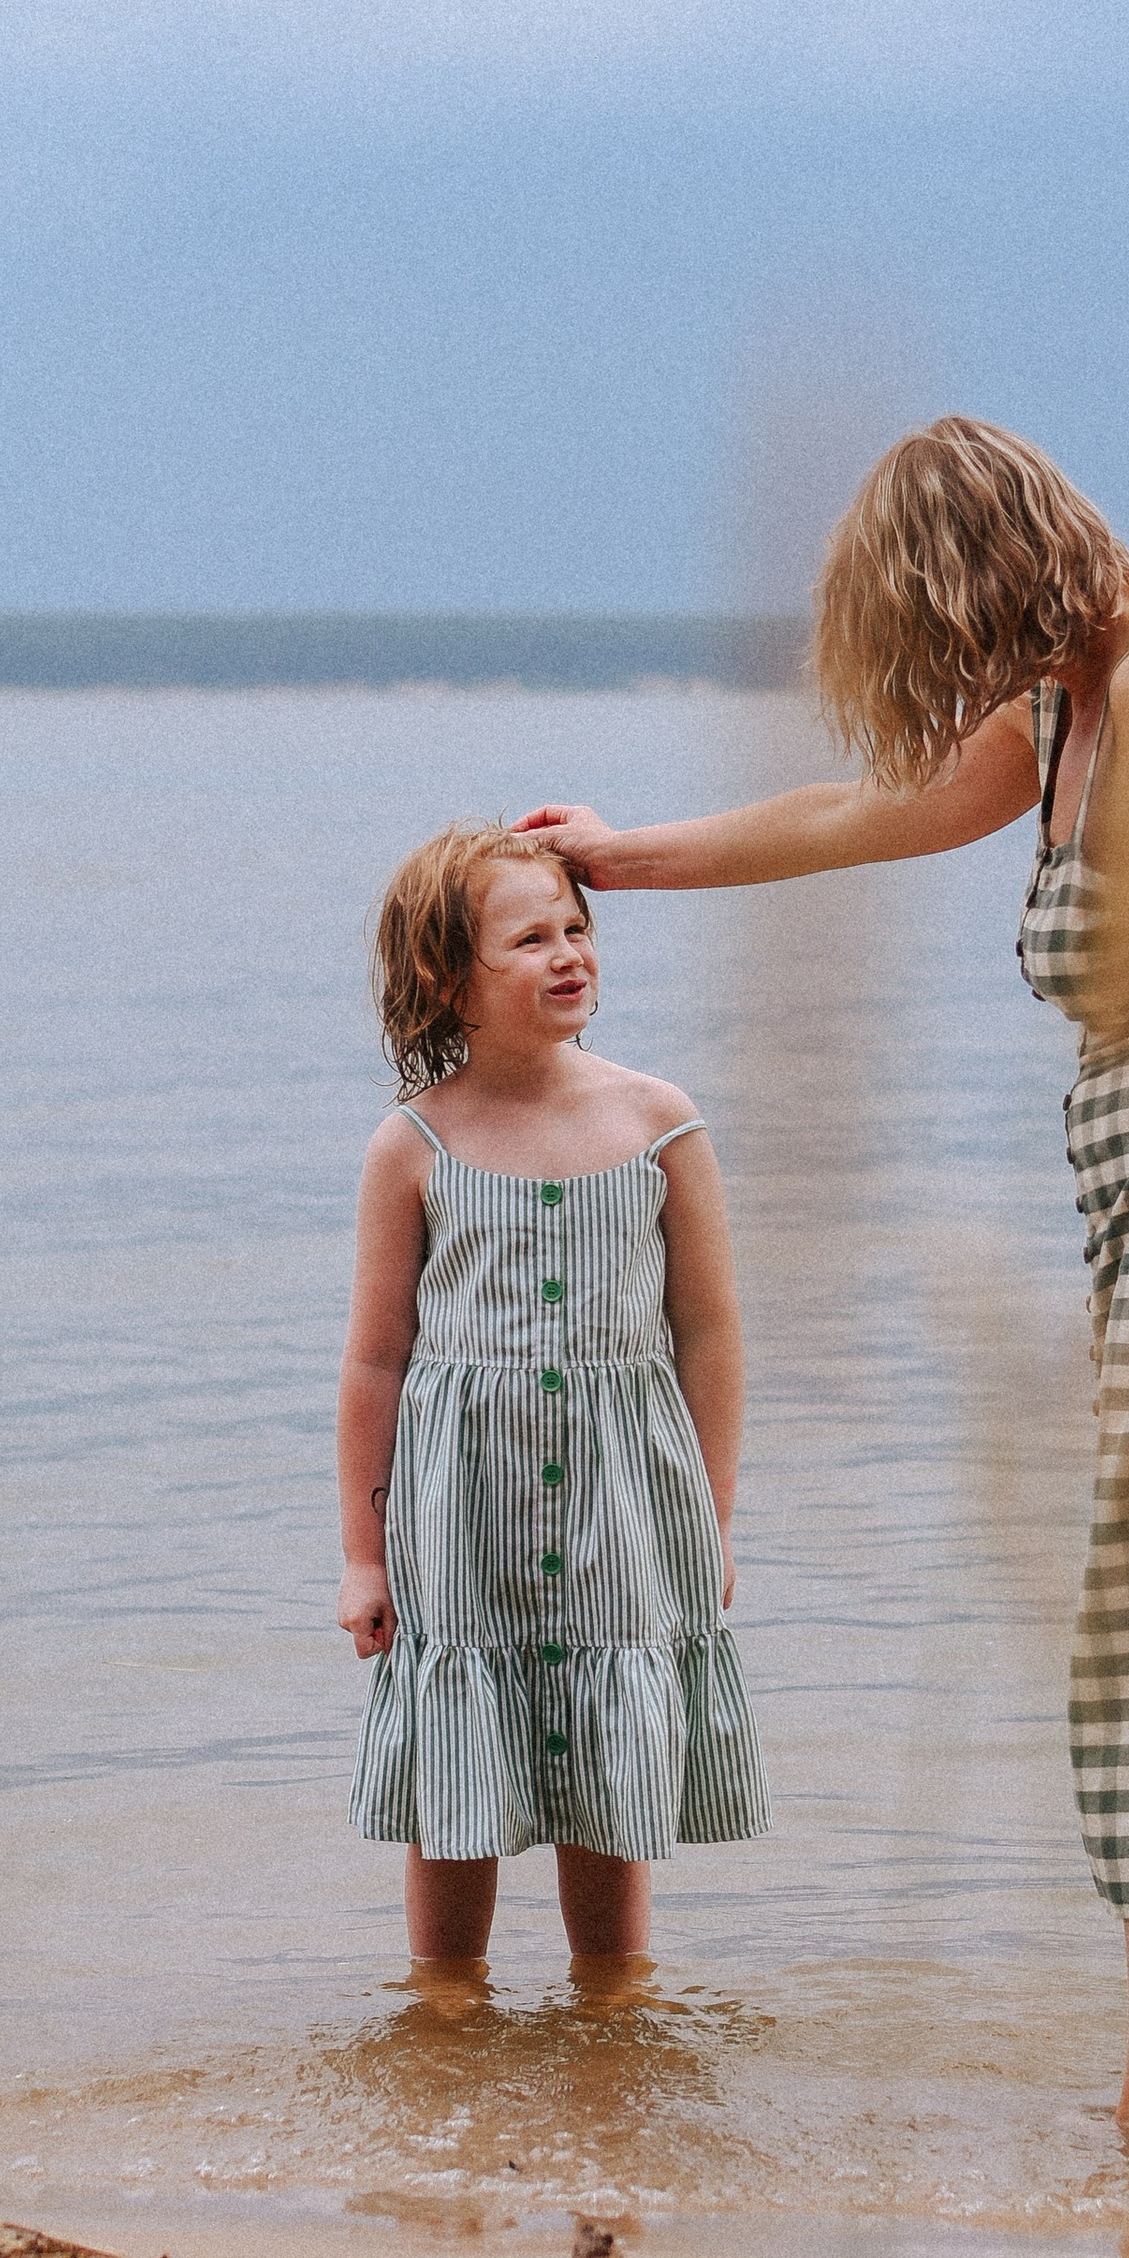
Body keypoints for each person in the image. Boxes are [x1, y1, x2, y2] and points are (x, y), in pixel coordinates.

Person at [520, 415, 1129, 2137]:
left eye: (935, 629)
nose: (941, 674)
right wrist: (630, 855)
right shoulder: (1075, 700)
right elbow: (864, 814)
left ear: (990, 580)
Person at [338, 824, 766, 1967]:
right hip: (459, 1510)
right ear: (448, 978)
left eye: (576, 928)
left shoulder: (657, 1121)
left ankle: (611, 2002)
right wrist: (363, 1557)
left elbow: (709, 1333)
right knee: (458, 1747)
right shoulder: (413, 1144)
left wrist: (712, 1518)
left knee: (612, 1740)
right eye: (530, 939)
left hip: (627, 1500)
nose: (569, 953)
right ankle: (446, 2007)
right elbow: (375, 1359)